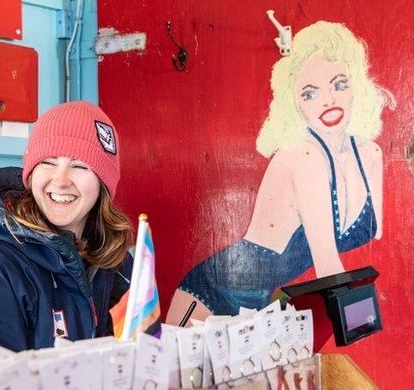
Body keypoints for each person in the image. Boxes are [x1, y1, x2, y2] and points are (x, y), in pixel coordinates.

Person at [166, 21, 392, 323]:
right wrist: (362, 322)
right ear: (294, 103)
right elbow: (328, 266)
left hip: (259, 306)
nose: (327, 100)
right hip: (212, 296)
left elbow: (374, 236)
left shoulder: (370, 155)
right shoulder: (303, 156)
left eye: (339, 84)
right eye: (310, 93)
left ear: (357, 86)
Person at [0, 101, 134, 358]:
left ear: (103, 185)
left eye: (80, 165)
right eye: (48, 162)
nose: (60, 180)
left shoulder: (116, 264)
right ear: (31, 174)